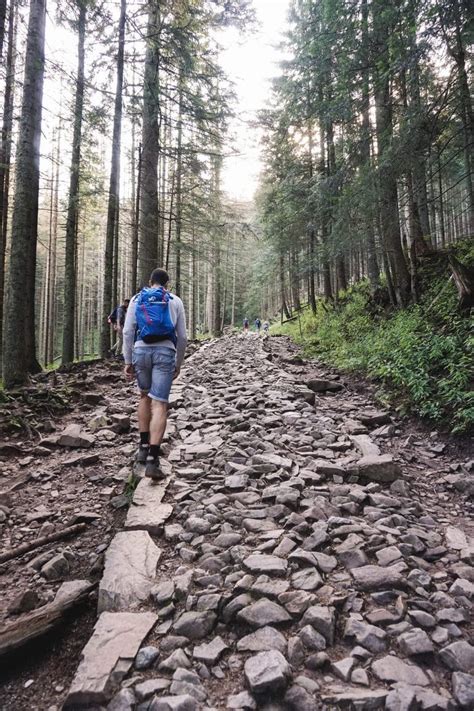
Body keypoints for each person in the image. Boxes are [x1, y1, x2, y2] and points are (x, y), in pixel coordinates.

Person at [123, 268, 187, 479]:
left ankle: (142, 447)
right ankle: (153, 459)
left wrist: (127, 359)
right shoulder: (174, 300)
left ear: (150, 282)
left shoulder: (136, 299)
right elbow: (182, 337)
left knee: (144, 396)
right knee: (159, 403)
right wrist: (178, 363)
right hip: (165, 352)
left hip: (141, 351)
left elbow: (127, 331)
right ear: (166, 284)